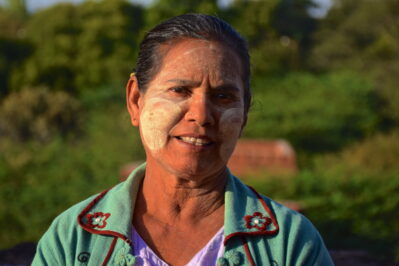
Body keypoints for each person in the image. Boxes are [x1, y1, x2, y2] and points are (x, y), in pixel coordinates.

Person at [32, 14, 334, 266]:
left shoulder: (289, 244)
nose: (202, 115)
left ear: (244, 114)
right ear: (136, 100)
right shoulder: (72, 240)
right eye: (180, 91)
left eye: (223, 96)